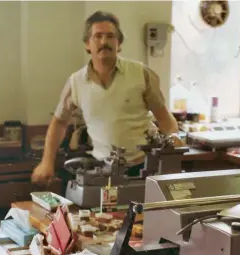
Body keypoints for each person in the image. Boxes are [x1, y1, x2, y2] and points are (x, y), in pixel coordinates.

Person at [31, 10, 179, 185]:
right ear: (87, 44)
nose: (104, 42)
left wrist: (173, 144)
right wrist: (46, 162)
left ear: (119, 44)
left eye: (110, 36)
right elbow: (59, 122)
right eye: (98, 36)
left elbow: (164, 119)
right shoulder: (76, 82)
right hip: (102, 169)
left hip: (144, 167)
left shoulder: (141, 74)